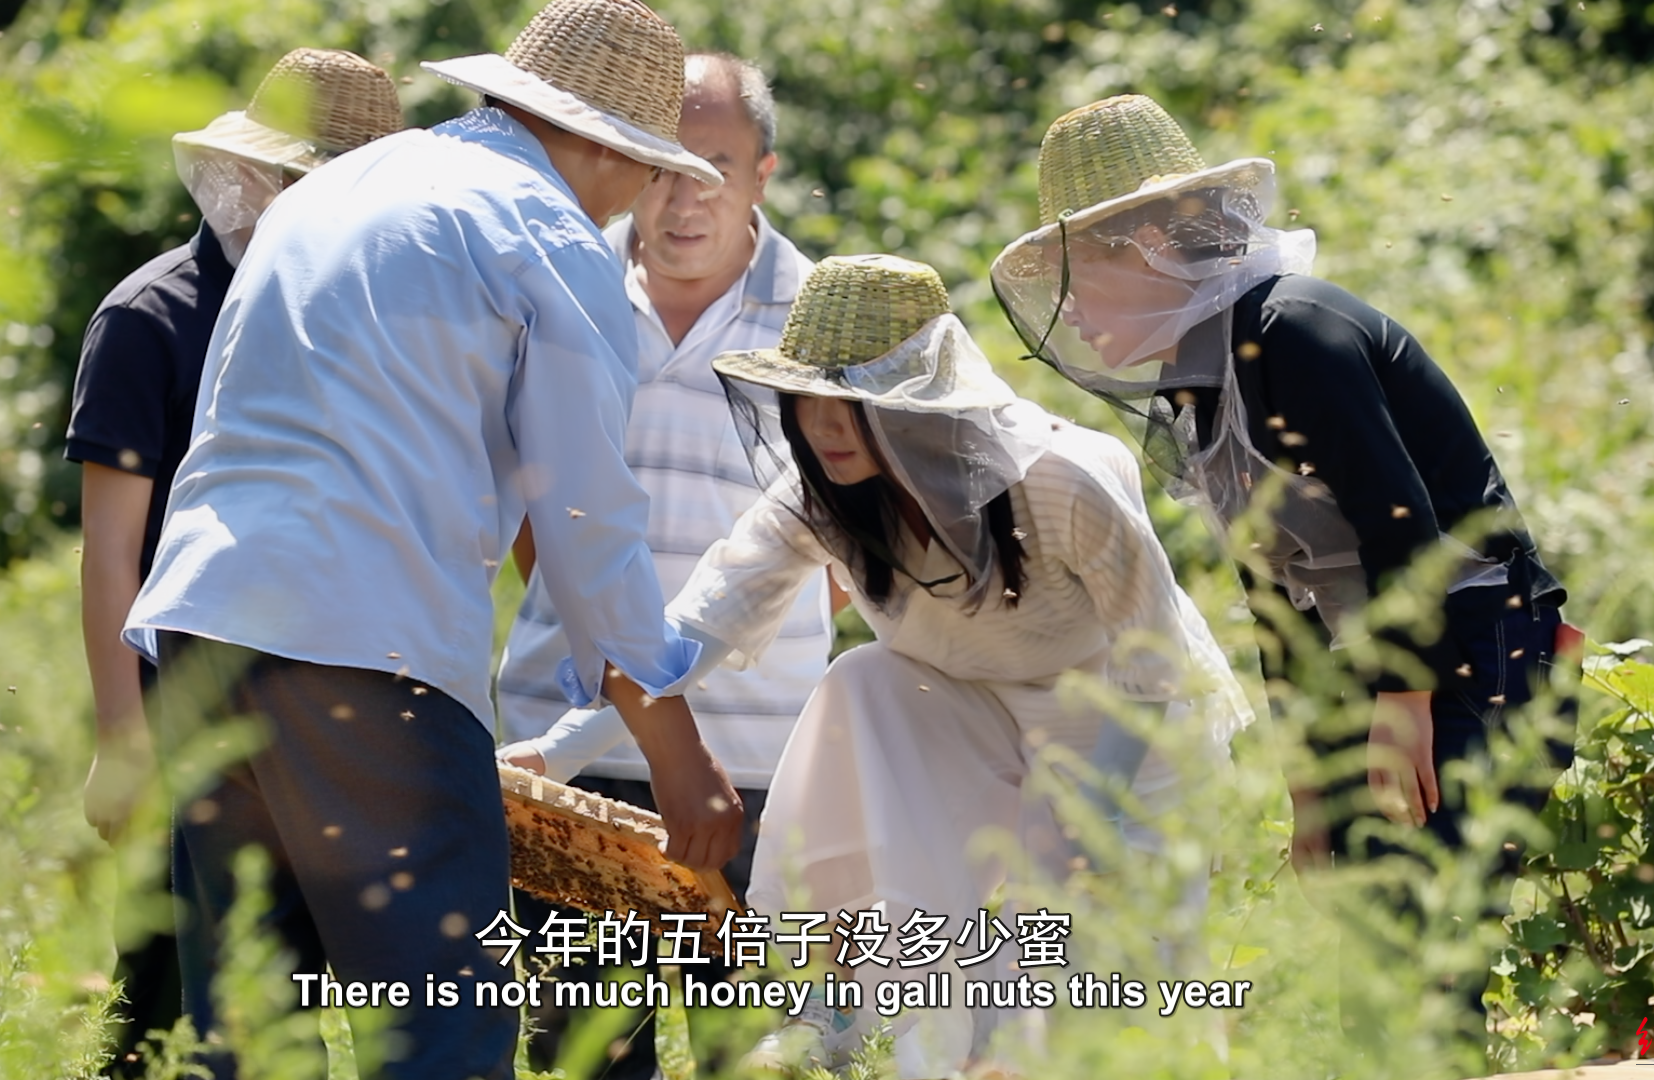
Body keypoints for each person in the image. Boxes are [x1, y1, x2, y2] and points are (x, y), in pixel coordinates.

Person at [119, 1, 746, 1075]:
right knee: (441, 1026)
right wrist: (678, 757)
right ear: (598, 142)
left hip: (204, 624)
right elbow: (584, 512)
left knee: (243, 1030)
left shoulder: (343, 188)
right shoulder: (547, 234)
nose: (641, 195)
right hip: (368, 654)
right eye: (644, 166)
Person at [517, 254, 1255, 1078]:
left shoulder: (1062, 478)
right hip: (964, 715)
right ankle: (842, 1013)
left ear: (924, 402)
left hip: (1125, 724)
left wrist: (1091, 824)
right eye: (807, 399)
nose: (825, 426)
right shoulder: (818, 496)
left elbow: (1154, 665)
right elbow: (695, 625)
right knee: (861, 683)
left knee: (1105, 989)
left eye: (854, 403)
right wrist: (558, 752)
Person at [989, 94, 1573, 1011]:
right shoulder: (1200, 376)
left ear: (1146, 248)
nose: (1069, 310)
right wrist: (1310, 789)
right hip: (1367, 663)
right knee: (1369, 952)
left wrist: (1406, 704)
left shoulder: (1292, 332)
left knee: (1421, 943)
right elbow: (1275, 589)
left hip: (1468, 645)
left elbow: (1401, 524)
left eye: (1078, 273)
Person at [493, 52, 832, 1079]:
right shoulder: (561, 288)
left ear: (764, 172)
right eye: (665, 167)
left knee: (763, 1057)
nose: (686, 199)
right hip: (569, 763)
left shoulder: (823, 316)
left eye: (716, 167)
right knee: (585, 1059)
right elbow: (525, 505)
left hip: (764, 771)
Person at [66, 47, 402, 1075]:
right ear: (257, 172)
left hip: (333, 710)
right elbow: (113, 551)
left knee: (292, 1005)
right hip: (191, 704)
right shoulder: (154, 318)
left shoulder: (369, 318)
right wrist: (124, 742)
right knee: (166, 1006)